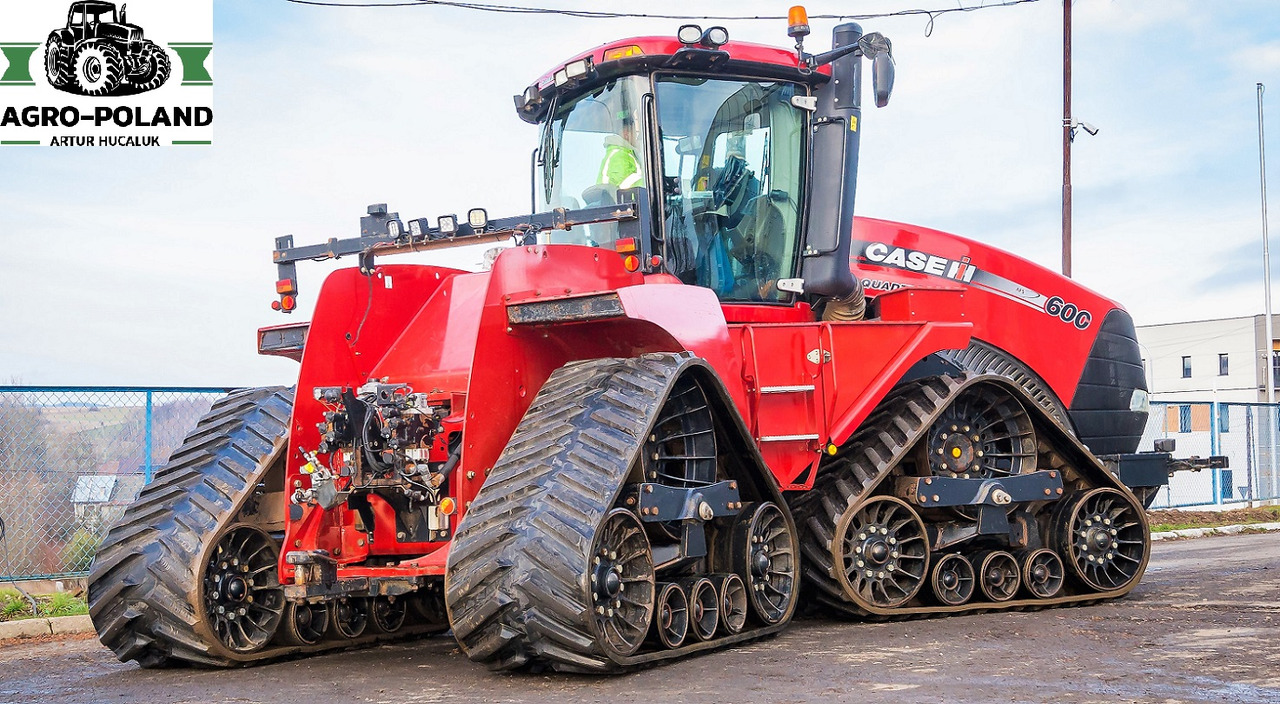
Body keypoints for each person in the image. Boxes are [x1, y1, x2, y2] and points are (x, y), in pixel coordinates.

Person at [597, 114, 644, 190]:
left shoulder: (623, 154)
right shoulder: (620, 156)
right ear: (626, 134)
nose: (640, 138)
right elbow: (625, 192)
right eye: (638, 133)